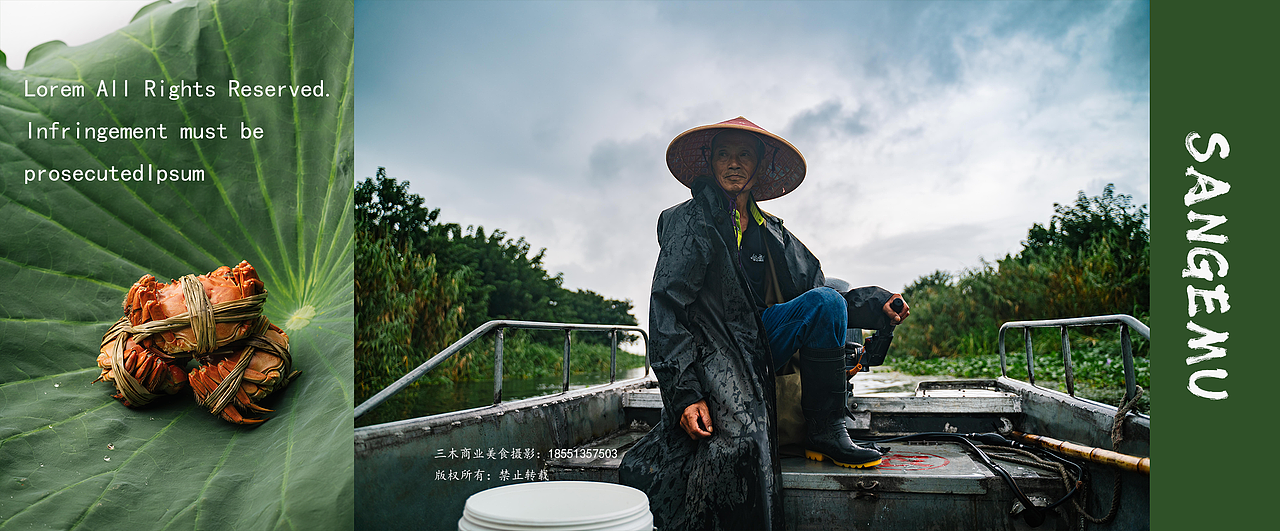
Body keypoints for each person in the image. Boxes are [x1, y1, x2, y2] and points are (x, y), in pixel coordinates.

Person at [618, 117, 909, 530]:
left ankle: (826, 430)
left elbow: (823, 294)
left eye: (743, 155)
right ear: (711, 163)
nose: (733, 164)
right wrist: (685, 397)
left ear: (759, 166)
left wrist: (880, 304)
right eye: (723, 154)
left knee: (827, 301)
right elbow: (667, 307)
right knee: (738, 450)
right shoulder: (690, 221)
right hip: (714, 349)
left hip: (760, 337)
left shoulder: (773, 232)